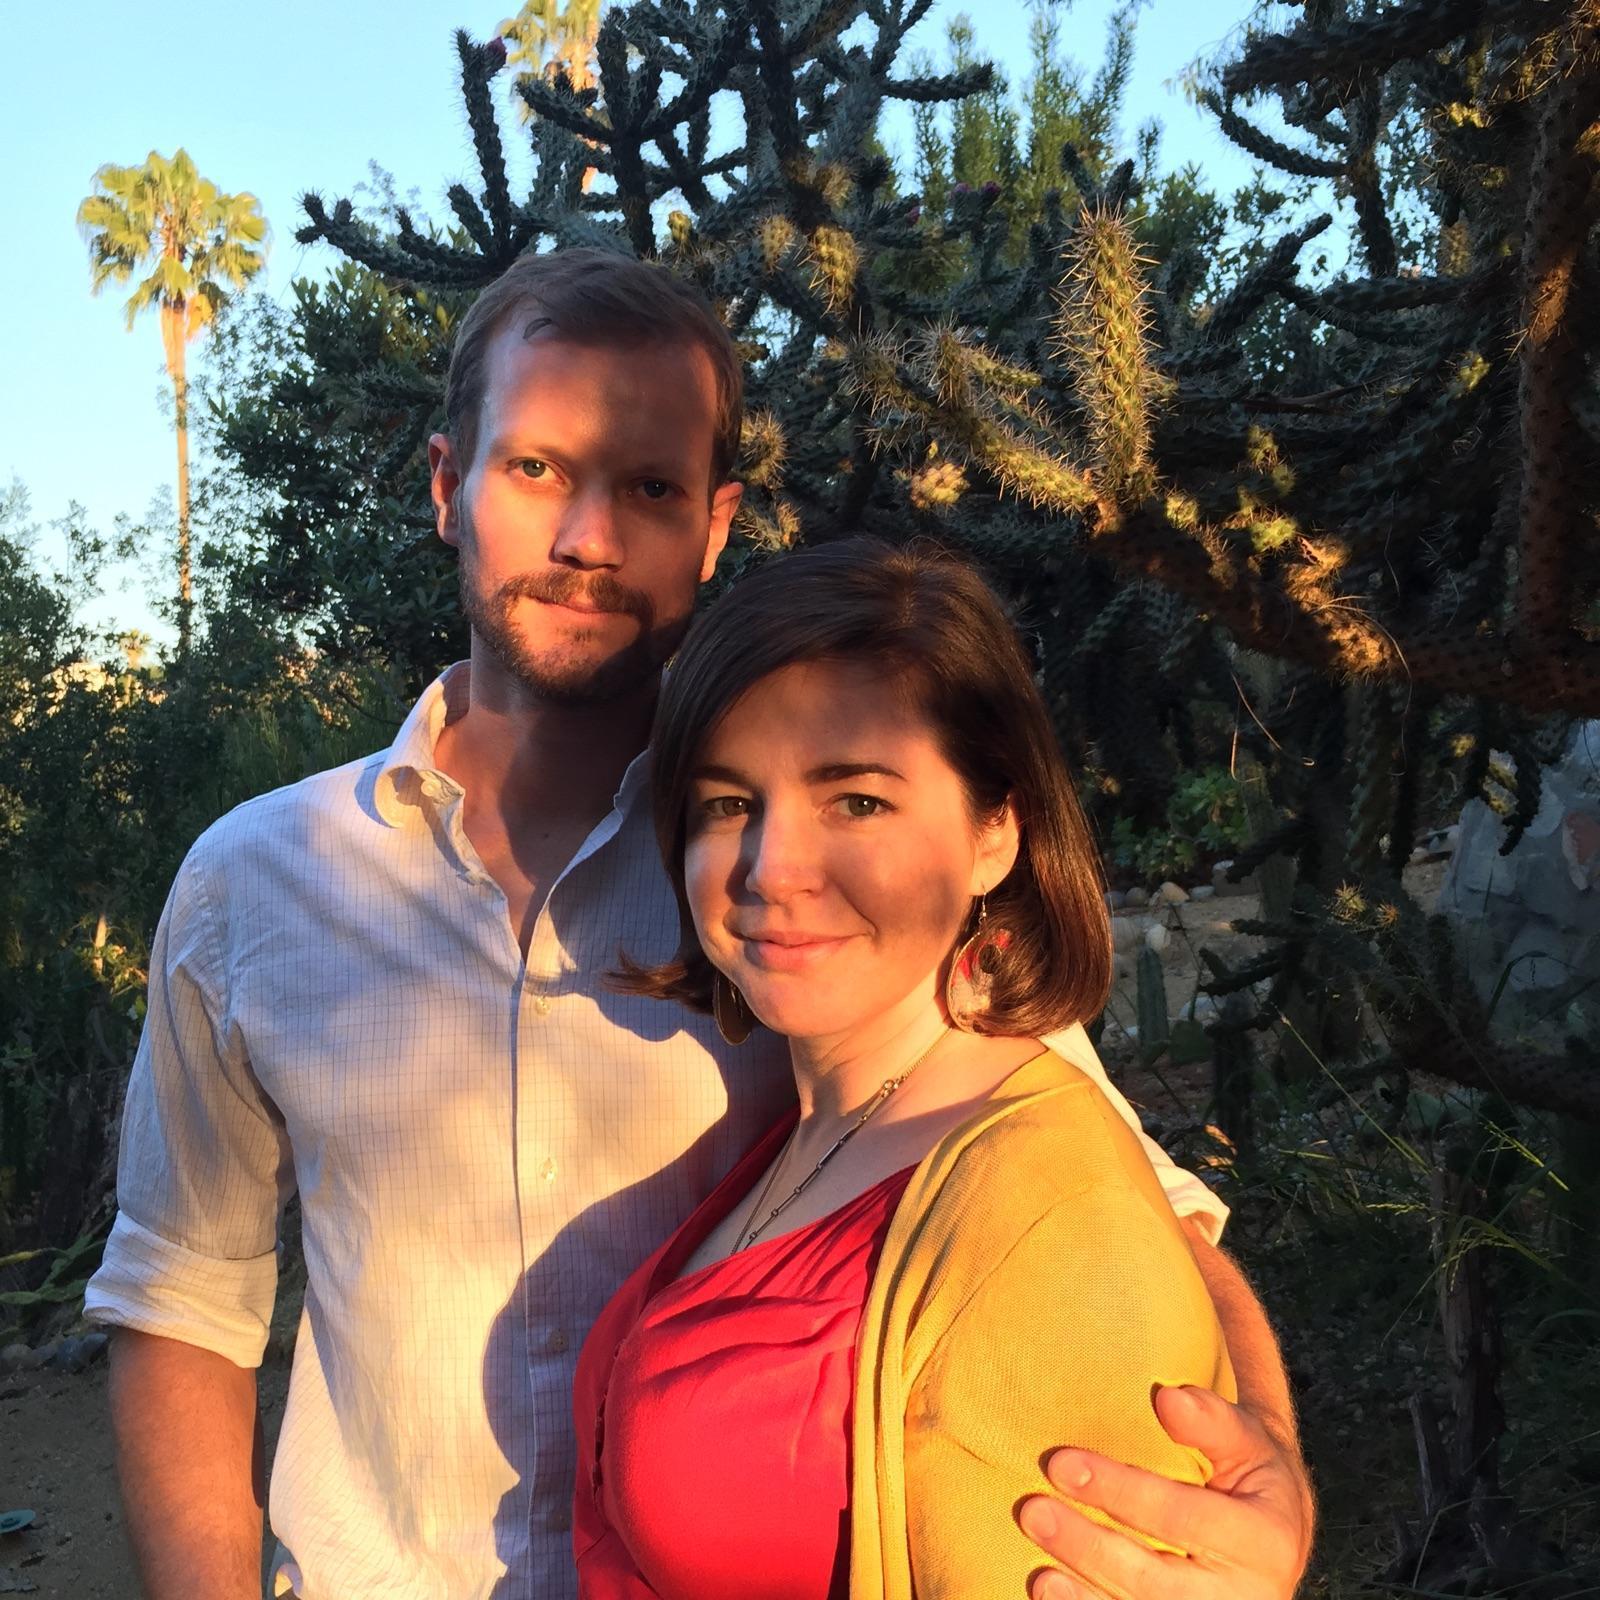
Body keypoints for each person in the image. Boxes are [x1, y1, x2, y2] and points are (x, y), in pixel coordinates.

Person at [83, 248, 1309, 1600]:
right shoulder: (254, 884)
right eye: (538, 469)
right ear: (448, 484)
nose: (588, 539)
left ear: (717, 525)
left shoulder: (822, 882)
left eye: (650, 488)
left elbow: (1129, 1201)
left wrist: (1264, 1473)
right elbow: (183, 1294)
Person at [570, 537, 1285, 1598]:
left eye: (855, 800)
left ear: (995, 831)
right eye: (726, 804)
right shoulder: (813, 1126)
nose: (772, 869)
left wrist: (1266, 1449)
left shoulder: (1040, 1207)